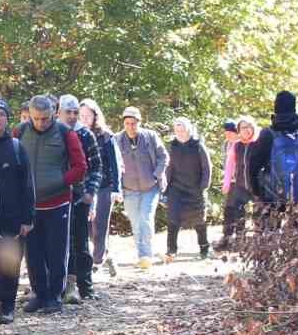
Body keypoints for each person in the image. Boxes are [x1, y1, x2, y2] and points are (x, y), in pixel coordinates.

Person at [15, 96, 88, 315]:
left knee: (57, 251)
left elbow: (80, 166)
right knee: (33, 253)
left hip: (58, 202)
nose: (40, 123)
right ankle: (40, 294)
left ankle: (55, 296)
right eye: (36, 118)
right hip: (30, 204)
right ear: (29, 115)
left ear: (54, 114)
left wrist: (60, 181)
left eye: (45, 119)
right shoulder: (19, 132)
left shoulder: (66, 133)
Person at [0, 99, 34, 324]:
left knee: (10, 263)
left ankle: (8, 307)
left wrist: (28, 217)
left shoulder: (15, 147)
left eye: (2, 114)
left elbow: (27, 184)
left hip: (11, 215)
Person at [246, 91, 298, 219]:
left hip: (271, 194)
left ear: (276, 107)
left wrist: (256, 191)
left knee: (271, 233)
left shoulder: (267, 134)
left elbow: (253, 165)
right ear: (294, 106)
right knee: (297, 232)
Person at [57, 95, 101, 303]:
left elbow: (96, 166)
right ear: (59, 112)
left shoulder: (86, 135)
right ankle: (60, 287)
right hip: (56, 196)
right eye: (69, 112)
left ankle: (86, 286)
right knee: (58, 244)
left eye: (75, 112)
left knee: (81, 243)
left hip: (80, 197)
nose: (73, 116)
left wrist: (90, 192)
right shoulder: (52, 133)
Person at [115, 106, 167, 270]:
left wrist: (156, 175)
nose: (130, 126)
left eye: (133, 123)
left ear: (139, 122)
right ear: (123, 123)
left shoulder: (150, 137)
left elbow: (163, 157)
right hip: (129, 189)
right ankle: (142, 254)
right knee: (136, 223)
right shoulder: (117, 140)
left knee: (145, 219)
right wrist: (117, 187)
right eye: (127, 123)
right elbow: (113, 165)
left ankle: (146, 255)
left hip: (150, 188)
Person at [78, 100, 122, 278]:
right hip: (85, 186)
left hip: (104, 186)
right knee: (87, 226)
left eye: (88, 115)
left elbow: (115, 163)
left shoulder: (106, 136)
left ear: (95, 116)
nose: (84, 119)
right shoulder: (77, 135)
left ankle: (96, 262)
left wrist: (116, 189)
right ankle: (106, 256)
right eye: (81, 115)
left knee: (100, 226)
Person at [163, 117, 212, 261]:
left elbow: (207, 168)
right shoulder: (172, 146)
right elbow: (168, 168)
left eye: (182, 130)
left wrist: (203, 186)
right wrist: (165, 188)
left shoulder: (198, 145)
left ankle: (204, 248)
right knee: (173, 219)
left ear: (188, 130)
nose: (180, 133)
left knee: (199, 220)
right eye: (177, 130)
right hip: (176, 189)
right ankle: (171, 250)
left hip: (195, 188)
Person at [220, 118, 258, 244]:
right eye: (242, 128)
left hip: (257, 185)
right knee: (237, 211)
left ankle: (261, 240)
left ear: (253, 128)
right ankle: (240, 239)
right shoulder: (236, 146)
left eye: (248, 126)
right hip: (240, 183)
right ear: (239, 131)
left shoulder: (259, 143)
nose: (246, 130)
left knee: (259, 212)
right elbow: (229, 165)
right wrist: (226, 183)